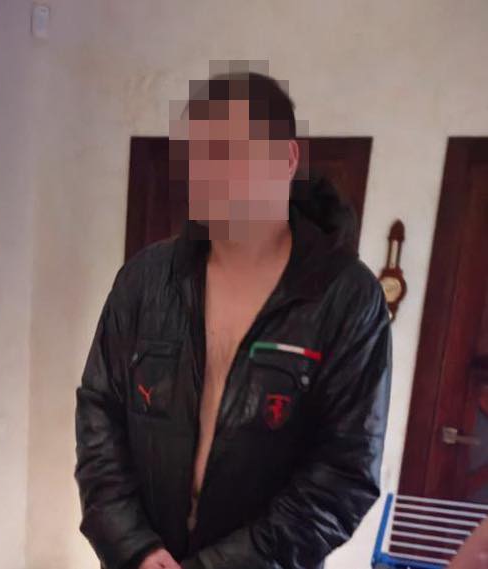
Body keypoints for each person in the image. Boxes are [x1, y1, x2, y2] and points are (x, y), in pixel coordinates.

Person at [74, 69, 393, 569]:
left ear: (287, 158)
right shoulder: (145, 280)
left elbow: (343, 475)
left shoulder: (347, 299)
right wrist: (134, 547)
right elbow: (100, 415)